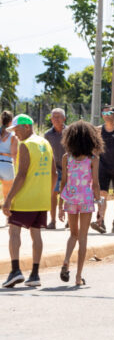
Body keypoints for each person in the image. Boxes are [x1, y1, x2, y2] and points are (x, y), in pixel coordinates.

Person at [2, 114, 55, 288]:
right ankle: (35, 274)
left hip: (25, 198)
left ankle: (15, 270)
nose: (15, 134)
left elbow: (22, 174)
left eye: (17, 130)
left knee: (14, 232)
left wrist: (8, 199)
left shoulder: (25, 145)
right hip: (41, 198)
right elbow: (54, 173)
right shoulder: (45, 143)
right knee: (36, 234)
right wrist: (47, 192)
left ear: (26, 127)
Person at [57, 120, 102, 287]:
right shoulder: (92, 159)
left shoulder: (66, 158)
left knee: (72, 235)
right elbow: (96, 183)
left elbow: (63, 183)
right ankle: (78, 277)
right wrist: (100, 204)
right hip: (86, 199)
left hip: (70, 199)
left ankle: (66, 260)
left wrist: (59, 206)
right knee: (83, 238)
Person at [43, 108, 67, 230]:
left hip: (70, 168)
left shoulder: (70, 132)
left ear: (64, 119)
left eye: (58, 117)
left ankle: (70, 219)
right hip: (54, 169)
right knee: (53, 194)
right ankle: (52, 221)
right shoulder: (47, 135)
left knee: (70, 194)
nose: (55, 119)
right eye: (53, 117)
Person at [0, 111, 18, 223]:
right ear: (11, 121)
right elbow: (14, 154)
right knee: (7, 194)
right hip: (7, 165)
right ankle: (8, 218)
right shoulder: (13, 136)